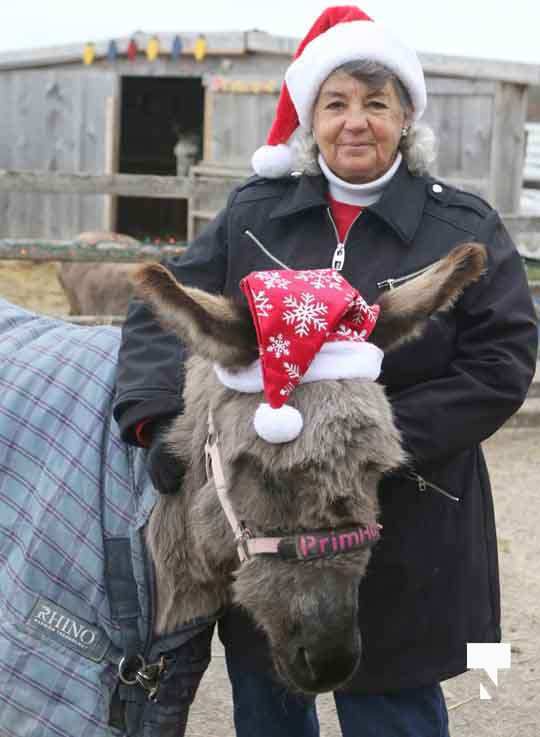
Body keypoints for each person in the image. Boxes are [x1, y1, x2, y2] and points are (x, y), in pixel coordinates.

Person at [113, 6, 538, 736]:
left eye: (377, 103)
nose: (355, 122)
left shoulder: (463, 226)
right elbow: (160, 313)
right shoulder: (257, 214)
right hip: (269, 523)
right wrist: (158, 423)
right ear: (310, 118)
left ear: (406, 117)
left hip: (407, 513)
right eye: (336, 103)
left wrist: (365, 444)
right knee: (271, 703)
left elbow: (502, 359)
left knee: (393, 710)